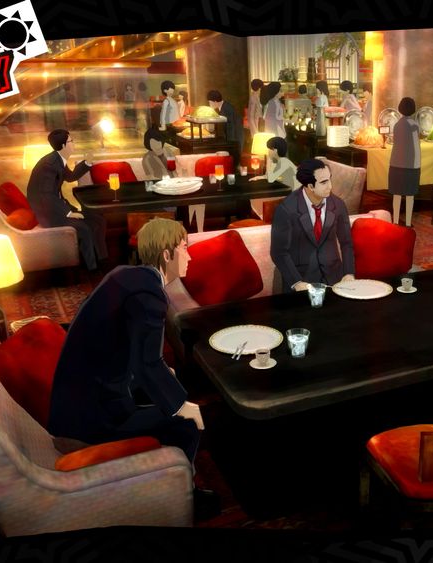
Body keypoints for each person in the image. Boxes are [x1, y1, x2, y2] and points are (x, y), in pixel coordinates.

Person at [47, 218, 219, 520]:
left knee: (171, 387)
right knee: (187, 424)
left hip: (76, 400)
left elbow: (127, 350)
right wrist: (182, 407)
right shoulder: (148, 295)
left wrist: (165, 386)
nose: (189, 256)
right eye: (184, 248)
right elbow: (147, 364)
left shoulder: (126, 276)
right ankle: (186, 496)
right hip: (93, 417)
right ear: (166, 254)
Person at [26, 129, 107, 271]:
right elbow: (46, 195)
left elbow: (70, 177)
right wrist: (69, 213)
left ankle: (102, 259)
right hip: (48, 213)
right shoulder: (49, 165)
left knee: (98, 220)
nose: (74, 143)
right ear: (63, 145)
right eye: (71, 141)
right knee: (84, 228)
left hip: (57, 207)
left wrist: (87, 163)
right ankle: (92, 268)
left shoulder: (58, 159)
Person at [270, 159, 356, 291]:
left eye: (330, 179)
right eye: (324, 182)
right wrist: (297, 282)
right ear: (310, 186)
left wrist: (349, 273)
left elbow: (347, 243)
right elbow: (278, 252)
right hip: (301, 280)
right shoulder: (286, 209)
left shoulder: (338, 205)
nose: (330, 186)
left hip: (335, 278)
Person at [249, 136, 300, 218]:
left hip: (294, 197)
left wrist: (269, 161)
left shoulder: (284, 162)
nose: (268, 152)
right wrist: (260, 177)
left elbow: (271, 178)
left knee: (256, 199)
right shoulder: (279, 161)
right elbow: (270, 176)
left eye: (269, 149)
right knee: (256, 199)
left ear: (275, 150)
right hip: (286, 193)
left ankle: (267, 220)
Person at [389, 96, 420, 227]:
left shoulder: (397, 125)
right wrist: (418, 164)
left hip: (395, 163)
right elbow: (415, 146)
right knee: (409, 195)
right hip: (410, 164)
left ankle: (395, 221)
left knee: (396, 194)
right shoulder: (414, 125)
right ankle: (407, 222)